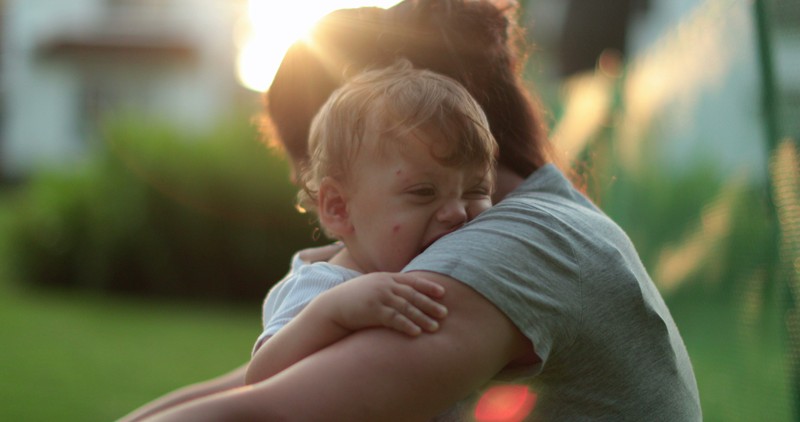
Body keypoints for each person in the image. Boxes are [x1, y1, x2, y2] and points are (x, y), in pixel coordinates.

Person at [132, 0, 702, 420]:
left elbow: (261, 414)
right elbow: (247, 382)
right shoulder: (519, 215)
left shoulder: (512, 245)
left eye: (309, 161)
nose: (304, 191)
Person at [246, 59, 497, 383]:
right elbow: (259, 380)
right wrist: (333, 312)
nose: (458, 213)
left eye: (477, 190)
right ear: (339, 208)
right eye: (423, 192)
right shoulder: (324, 286)